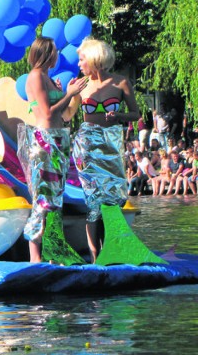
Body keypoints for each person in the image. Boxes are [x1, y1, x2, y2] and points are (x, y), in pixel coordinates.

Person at [73, 38, 163, 265]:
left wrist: (119, 116)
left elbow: (135, 114)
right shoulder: (81, 85)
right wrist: (63, 95)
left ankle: (112, 249)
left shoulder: (121, 83)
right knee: (94, 201)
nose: (79, 63)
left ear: (94, 58)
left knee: (114, 200)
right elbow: (65, 116)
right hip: (89, 145)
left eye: (82, 58)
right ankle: (96, 258)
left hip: (111, 145)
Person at [17, 36, 87, 264]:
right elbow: (46, 114)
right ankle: (34, 255)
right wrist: (67, 93)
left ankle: (52, 250)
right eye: (55, 51)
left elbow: (64, 115)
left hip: (57, 139)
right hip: (44, 141)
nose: (58, 55)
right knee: (44, 197)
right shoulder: (36, 76)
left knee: (55, 197)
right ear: (47, 53)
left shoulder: (46, 78)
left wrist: (67, 94)